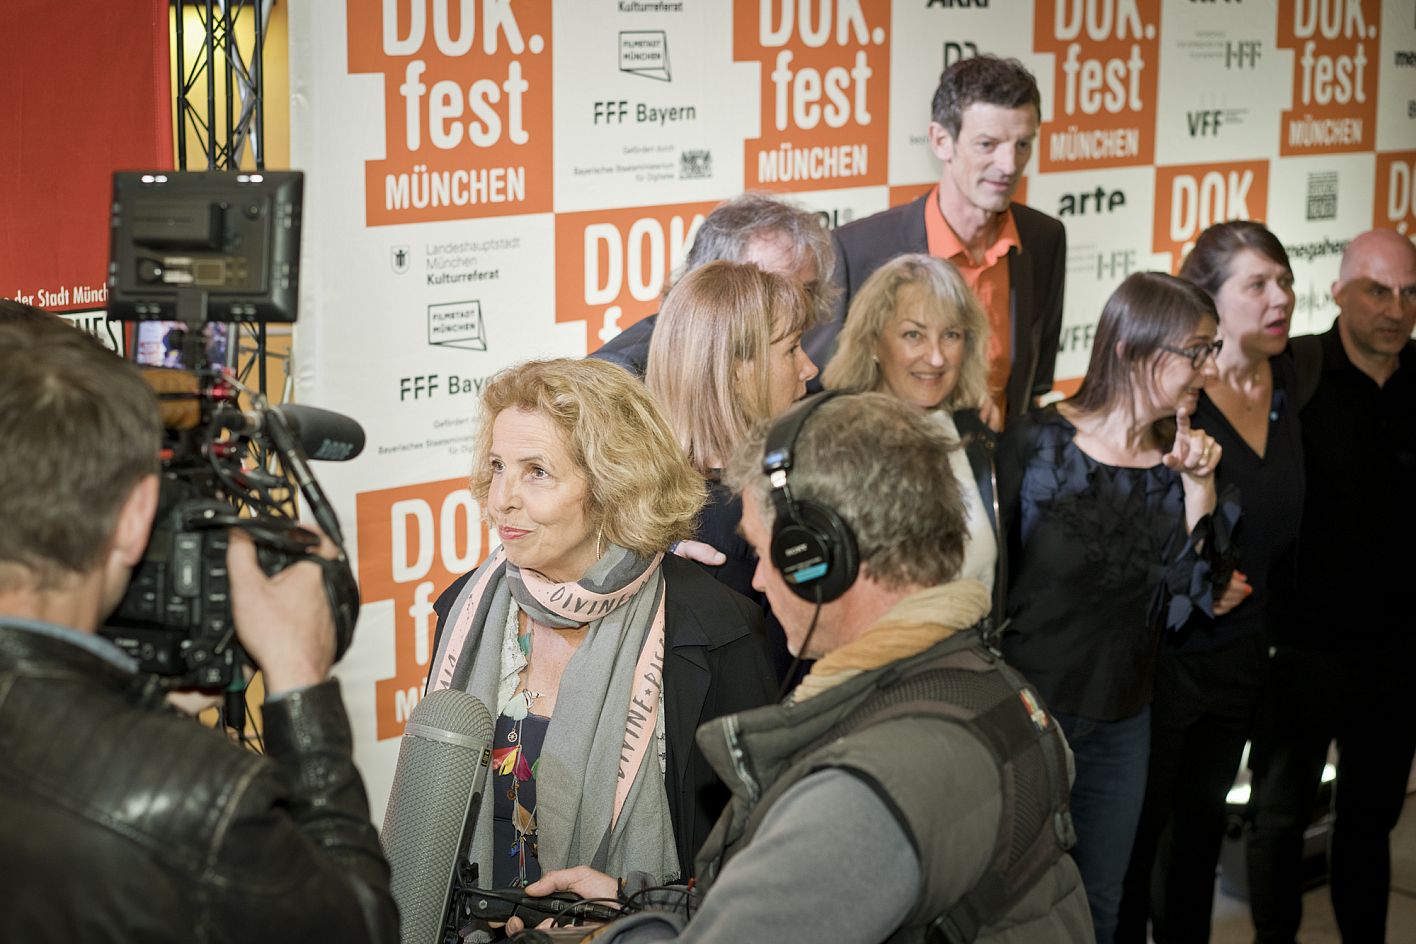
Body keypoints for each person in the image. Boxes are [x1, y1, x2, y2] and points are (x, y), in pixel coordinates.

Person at [507, 391, 1093, 943]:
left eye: (766, 554)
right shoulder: (987, 685)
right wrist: (639, 903)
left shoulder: (864, 792)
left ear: (819, 558)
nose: (761, 581)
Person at [0, 323, 398, 943]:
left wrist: (137, 707)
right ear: (136, 515)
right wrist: (300, 680)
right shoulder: (207, 800)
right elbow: (362, 927)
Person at [426, 358, 777, 888]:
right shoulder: (465, 612)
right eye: (497, 466)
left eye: (536, 472)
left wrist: (635, 905)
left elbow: (760, 858)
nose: (501, 500)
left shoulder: (714, 631)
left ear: (614, 483)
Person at [997, 272, 1245, 944]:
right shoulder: (1035, 444)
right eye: (1196, 350)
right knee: (1012, 907)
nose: (1209, 368)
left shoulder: (1183, 460)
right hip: (1023, 719)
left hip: (1123, 723)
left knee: (1102, 909)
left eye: (1212, 349)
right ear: (1133, 349)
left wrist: (1200, 489)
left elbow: (1197, 599)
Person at [1117, 222, 1302, 943]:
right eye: (1258, 284)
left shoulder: (1295, 377)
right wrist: (1189, 584)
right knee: (1136, 850)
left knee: (1198, 843)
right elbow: (1115, 532)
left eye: (1284, 280)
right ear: (1208, 300)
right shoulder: (1172, 400)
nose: (1280, 297)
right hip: (1165, 662)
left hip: (1244, 657)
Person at [1245, 229, 1416, 943]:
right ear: (1339, 291)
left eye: (1408, 293)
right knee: (1279, 818)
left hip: (1397, 654)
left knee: (1371, 820)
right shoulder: (1295, 372)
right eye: (1377, 290)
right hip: (1301, 648)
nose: (1395, 309)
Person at [813, 55, 1065, 424]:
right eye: (987, 144)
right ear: (941, 141)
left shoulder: (1044, 239)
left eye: (1023, 144)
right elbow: (823, 392)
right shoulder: (858, 250)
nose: (1010, 164)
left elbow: (1035, 384)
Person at [644, 260, 818, 682]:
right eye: (792, 349)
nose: (810, 368)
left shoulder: (639, 501)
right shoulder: (759, 515)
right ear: (737, 372)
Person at [821, 253, 1002, 620]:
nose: (936, 358)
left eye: (950, 335)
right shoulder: (833, 447)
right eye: (913, 335)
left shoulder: (974, 435)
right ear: (873, 341)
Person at [591, 192, 835, 378]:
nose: (799, 307)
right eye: (773, 290)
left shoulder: (798, 348)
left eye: (807, 291)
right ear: (716, 284)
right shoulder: (625, 372)